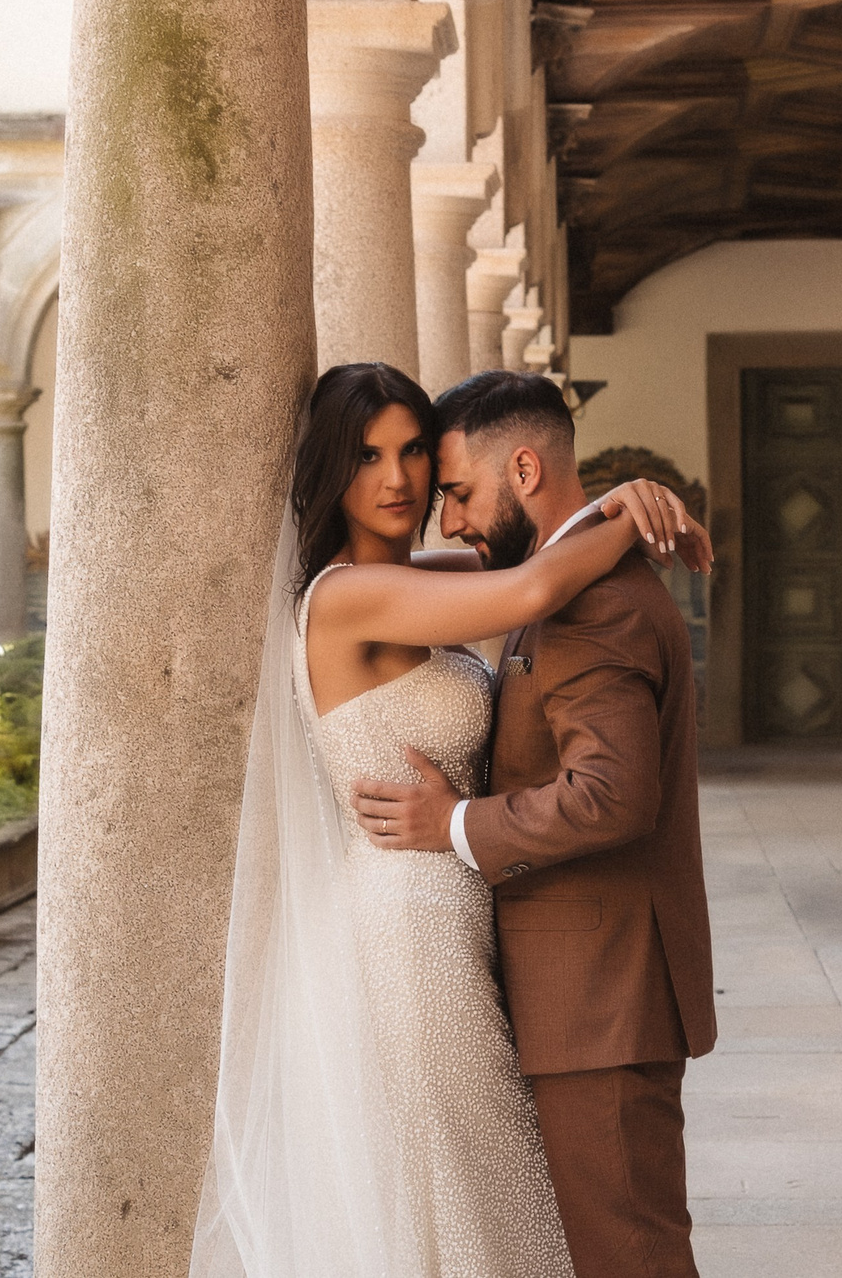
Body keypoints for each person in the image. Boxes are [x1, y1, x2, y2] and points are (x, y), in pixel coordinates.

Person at [191, 362, 710, 1278]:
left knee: (484, 1192)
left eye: (417, 454)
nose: (401, 481)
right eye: (367, 456)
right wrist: (625, 512)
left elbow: (510, 563)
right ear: (330, 470)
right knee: (456, 1194)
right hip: (408, 929)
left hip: (464, 917)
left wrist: (604, 505)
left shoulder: (414, 577)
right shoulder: (347, 595)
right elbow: (525, 590)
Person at [353, 370, 717, 1278]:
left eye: (460, 492)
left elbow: (613, 793)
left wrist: (457, 824)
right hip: (585, 990)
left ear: (522, 468)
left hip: (601, 996)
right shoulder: (555, 576)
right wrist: (624, 512)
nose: (451, 521)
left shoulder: (589, 601)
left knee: (627, 1257)